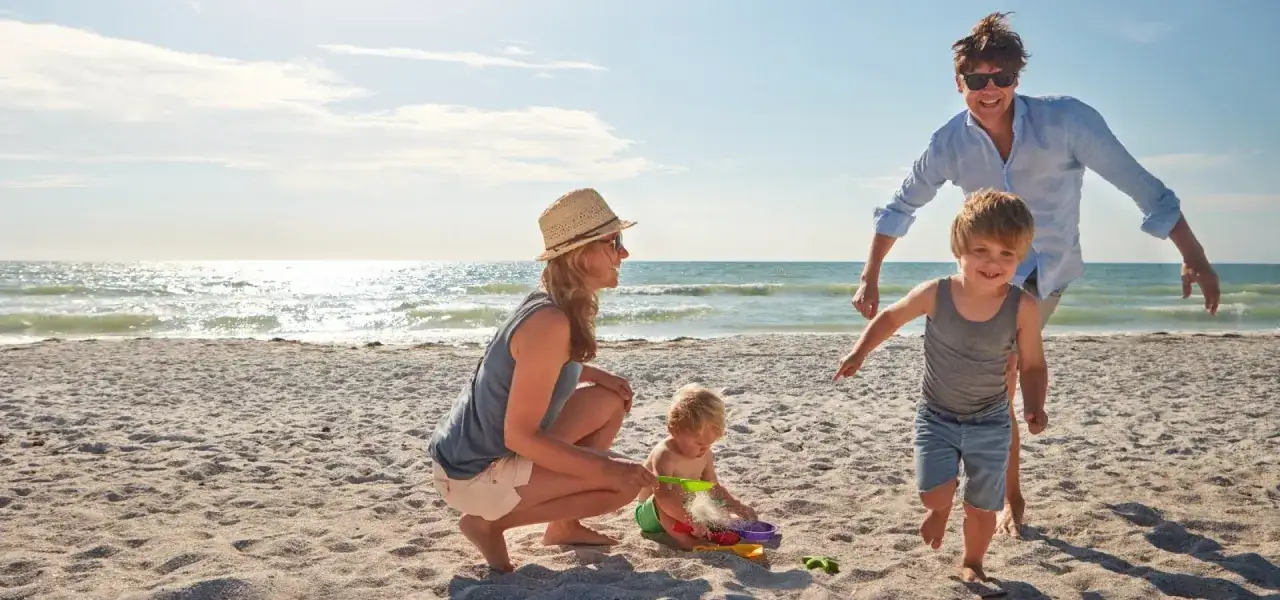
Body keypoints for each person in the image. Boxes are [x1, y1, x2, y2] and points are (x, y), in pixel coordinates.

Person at [850, 11, 1221, 536]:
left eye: (1001, 77)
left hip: (1046, 272)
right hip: (986, 271)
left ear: (1017, 80)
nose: (990, 89)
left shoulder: (1068, 121)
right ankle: (1007, 493)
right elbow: (900, 207)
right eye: (977, 79)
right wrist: (871, 274)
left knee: (999, 380)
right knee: (995, 384)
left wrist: (1194, 254)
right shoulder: (948, 143)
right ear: (959, 83)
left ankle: (1010, 497)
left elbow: (1139, 184)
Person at [427, 188, 657, 573]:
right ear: (582, 253)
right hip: (474, 472)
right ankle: (488, 523)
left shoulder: (557, 303)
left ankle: (562, 524)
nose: (624, 253)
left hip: (487, 449)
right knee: (623, 484)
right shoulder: (550, 322)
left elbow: (535, 369)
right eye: (614, 242)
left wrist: (598, 375)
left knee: (608, 400)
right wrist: (605, 468)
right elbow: (519, 437)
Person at [835, 189, 1048, 582]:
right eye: (982, 250)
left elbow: (1033, 364)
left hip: (991, 422)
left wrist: (1035, 405)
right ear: (959, 248)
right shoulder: (937, 293)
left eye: (1006, 254)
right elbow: (892, 318)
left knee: (982, 507)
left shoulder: (1023, 306)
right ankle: (939, 509)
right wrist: (859, 352)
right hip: (936, 416)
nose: (993, 263)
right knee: (933, 493)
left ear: (1020, 258)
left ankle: (973, 563)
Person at [634, 384, 757, 550]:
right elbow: (663, 495)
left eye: (709, 444)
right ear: (674, 429)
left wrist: (736, 504)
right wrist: (688, 519)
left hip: (683, 509)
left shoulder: (705, 454)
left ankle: (709, 529)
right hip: (652, 516)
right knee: (663, 496)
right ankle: (686, 541)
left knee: (709, 499)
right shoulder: (665, 454)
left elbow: (713, 487)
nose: (704, 449)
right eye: (699, 443)